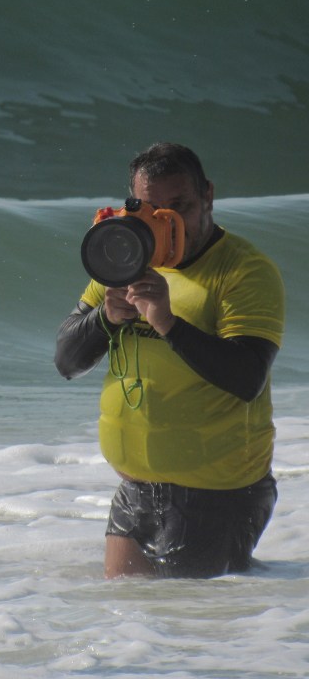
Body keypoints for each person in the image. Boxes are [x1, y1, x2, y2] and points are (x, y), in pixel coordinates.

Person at [54, 142, 284, 579]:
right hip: (136, 490)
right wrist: (106, 318)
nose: (167, 221)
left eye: (180, 207)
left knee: (193, 620)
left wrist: (168, 323)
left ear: (208, 196)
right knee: (130, 615)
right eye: (153, 209)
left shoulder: (244, 271)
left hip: (215, 492)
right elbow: (67, 361)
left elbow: (247, 376)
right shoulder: (120, 260)